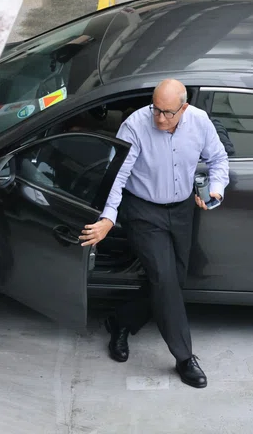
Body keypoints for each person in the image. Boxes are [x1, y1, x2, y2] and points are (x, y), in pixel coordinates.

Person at [79, 78, 229, 388]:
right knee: (164, 278)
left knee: (173, 279)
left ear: (183, 108)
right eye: (155, 109)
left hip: (183, 210)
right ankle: (185, 357)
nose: (159, 118)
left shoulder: (199, 122)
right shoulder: (135, 126)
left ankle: (120, 321)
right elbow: (116, 176)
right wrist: (108, 217)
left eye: (167, 112)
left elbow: (218, 159)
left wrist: (215, 188)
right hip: (144, 211)